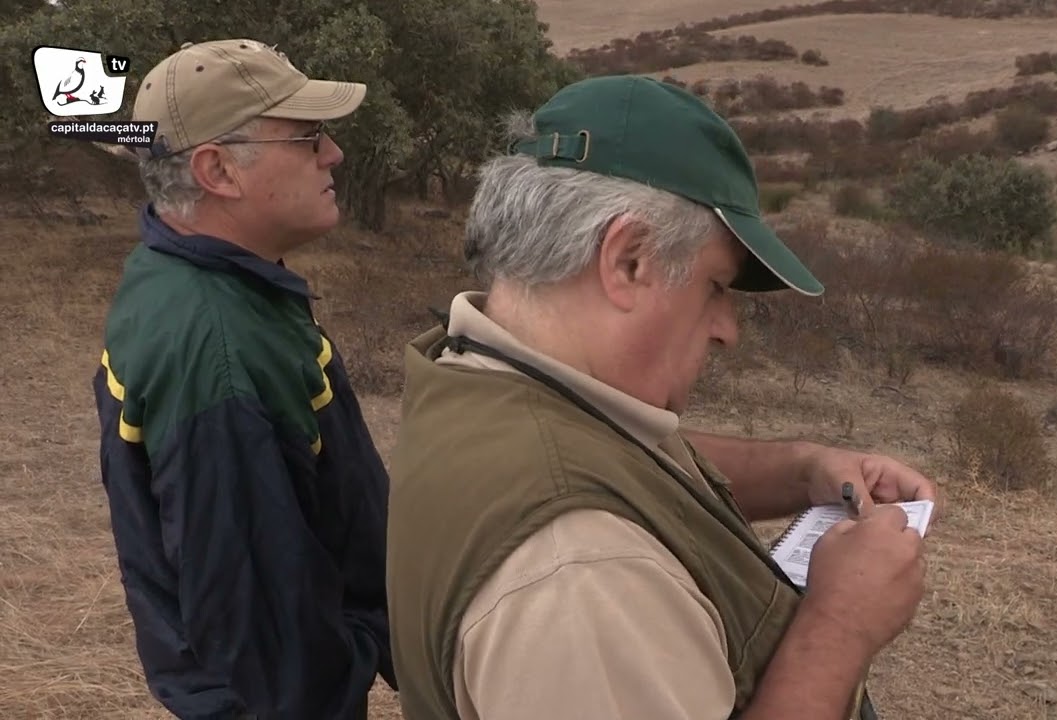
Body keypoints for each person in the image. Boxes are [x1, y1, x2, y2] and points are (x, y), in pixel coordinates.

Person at [385, 75, 936, 720]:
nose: (728, 329)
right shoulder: (584, 578)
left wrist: (802, 471)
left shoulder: (484, 374)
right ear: (629, 261)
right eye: (716, 286)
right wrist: (840, 629)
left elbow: (615, 464)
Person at [92, 38, 395, 719]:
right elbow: (262, 633)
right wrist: (357, 651)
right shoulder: (219, 350)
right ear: (218, 169)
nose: (334, 154)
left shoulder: (181, 277)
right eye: (308, 136)